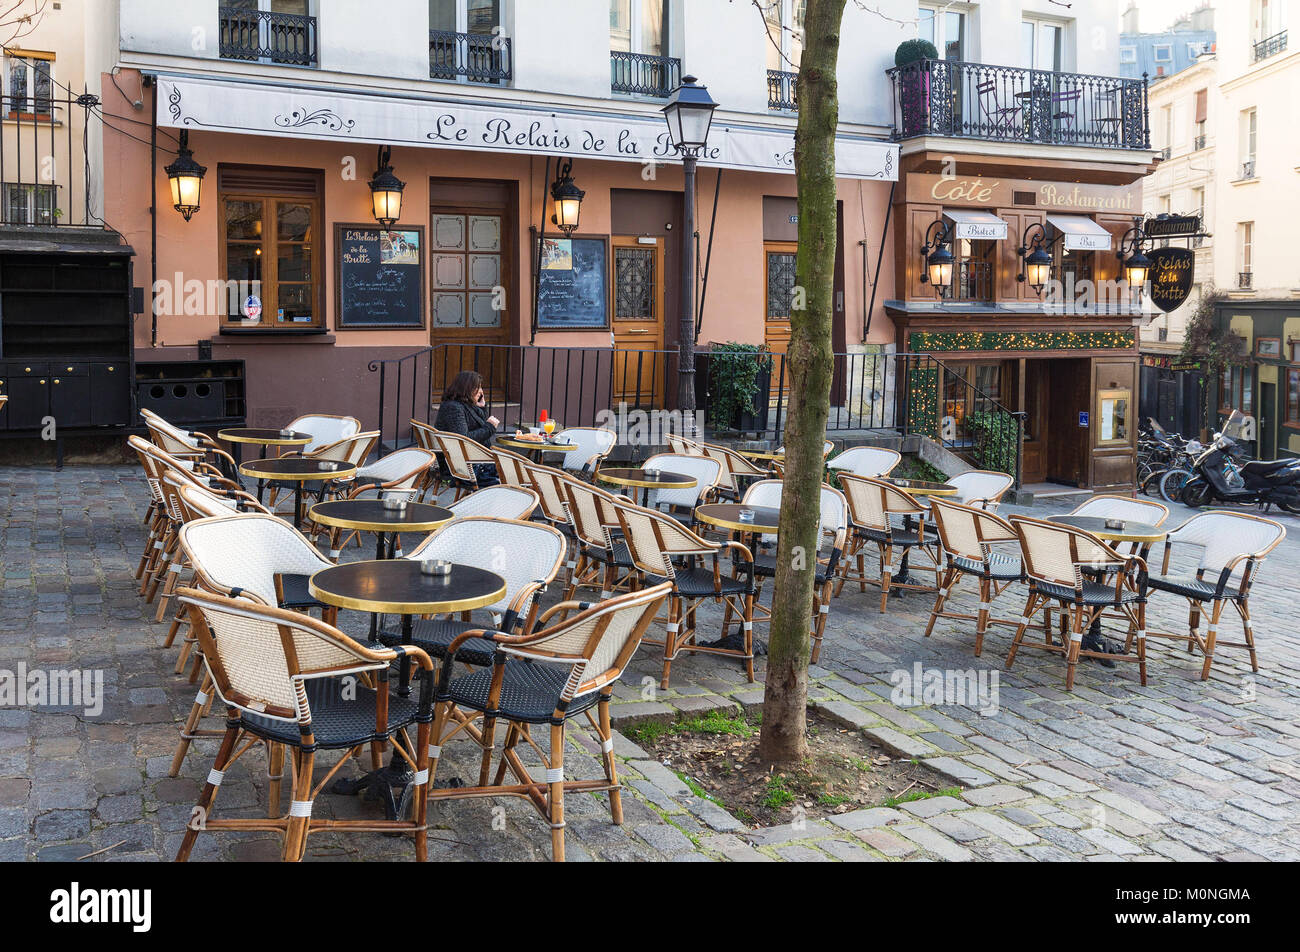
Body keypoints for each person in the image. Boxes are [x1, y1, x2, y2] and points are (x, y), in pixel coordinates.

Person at [435, 371, 500, 488]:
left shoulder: (462, 405)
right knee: (514, 470)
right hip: (464, 467)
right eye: (477, 387)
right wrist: (490, 427)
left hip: (469, 460)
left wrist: (482, 408)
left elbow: (478, 425)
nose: (481, 391)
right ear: (467, 388)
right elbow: (464, 439)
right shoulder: (453, 408)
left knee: (515, 468)